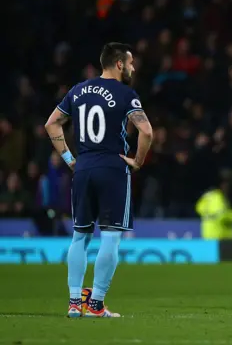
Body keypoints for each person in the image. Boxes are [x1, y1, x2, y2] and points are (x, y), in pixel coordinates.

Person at [44, 42, 154, 317]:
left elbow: (51, 124)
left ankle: (73, 303)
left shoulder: (78, 90)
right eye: (130, 63)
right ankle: (96, 304)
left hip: (83, 168)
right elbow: (147, 132)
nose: (133, 67)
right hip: (112, 168)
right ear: (119, 64)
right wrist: (138, 161)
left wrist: (70, 160)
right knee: (111, 235)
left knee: (80, 235)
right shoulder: (126, 94)